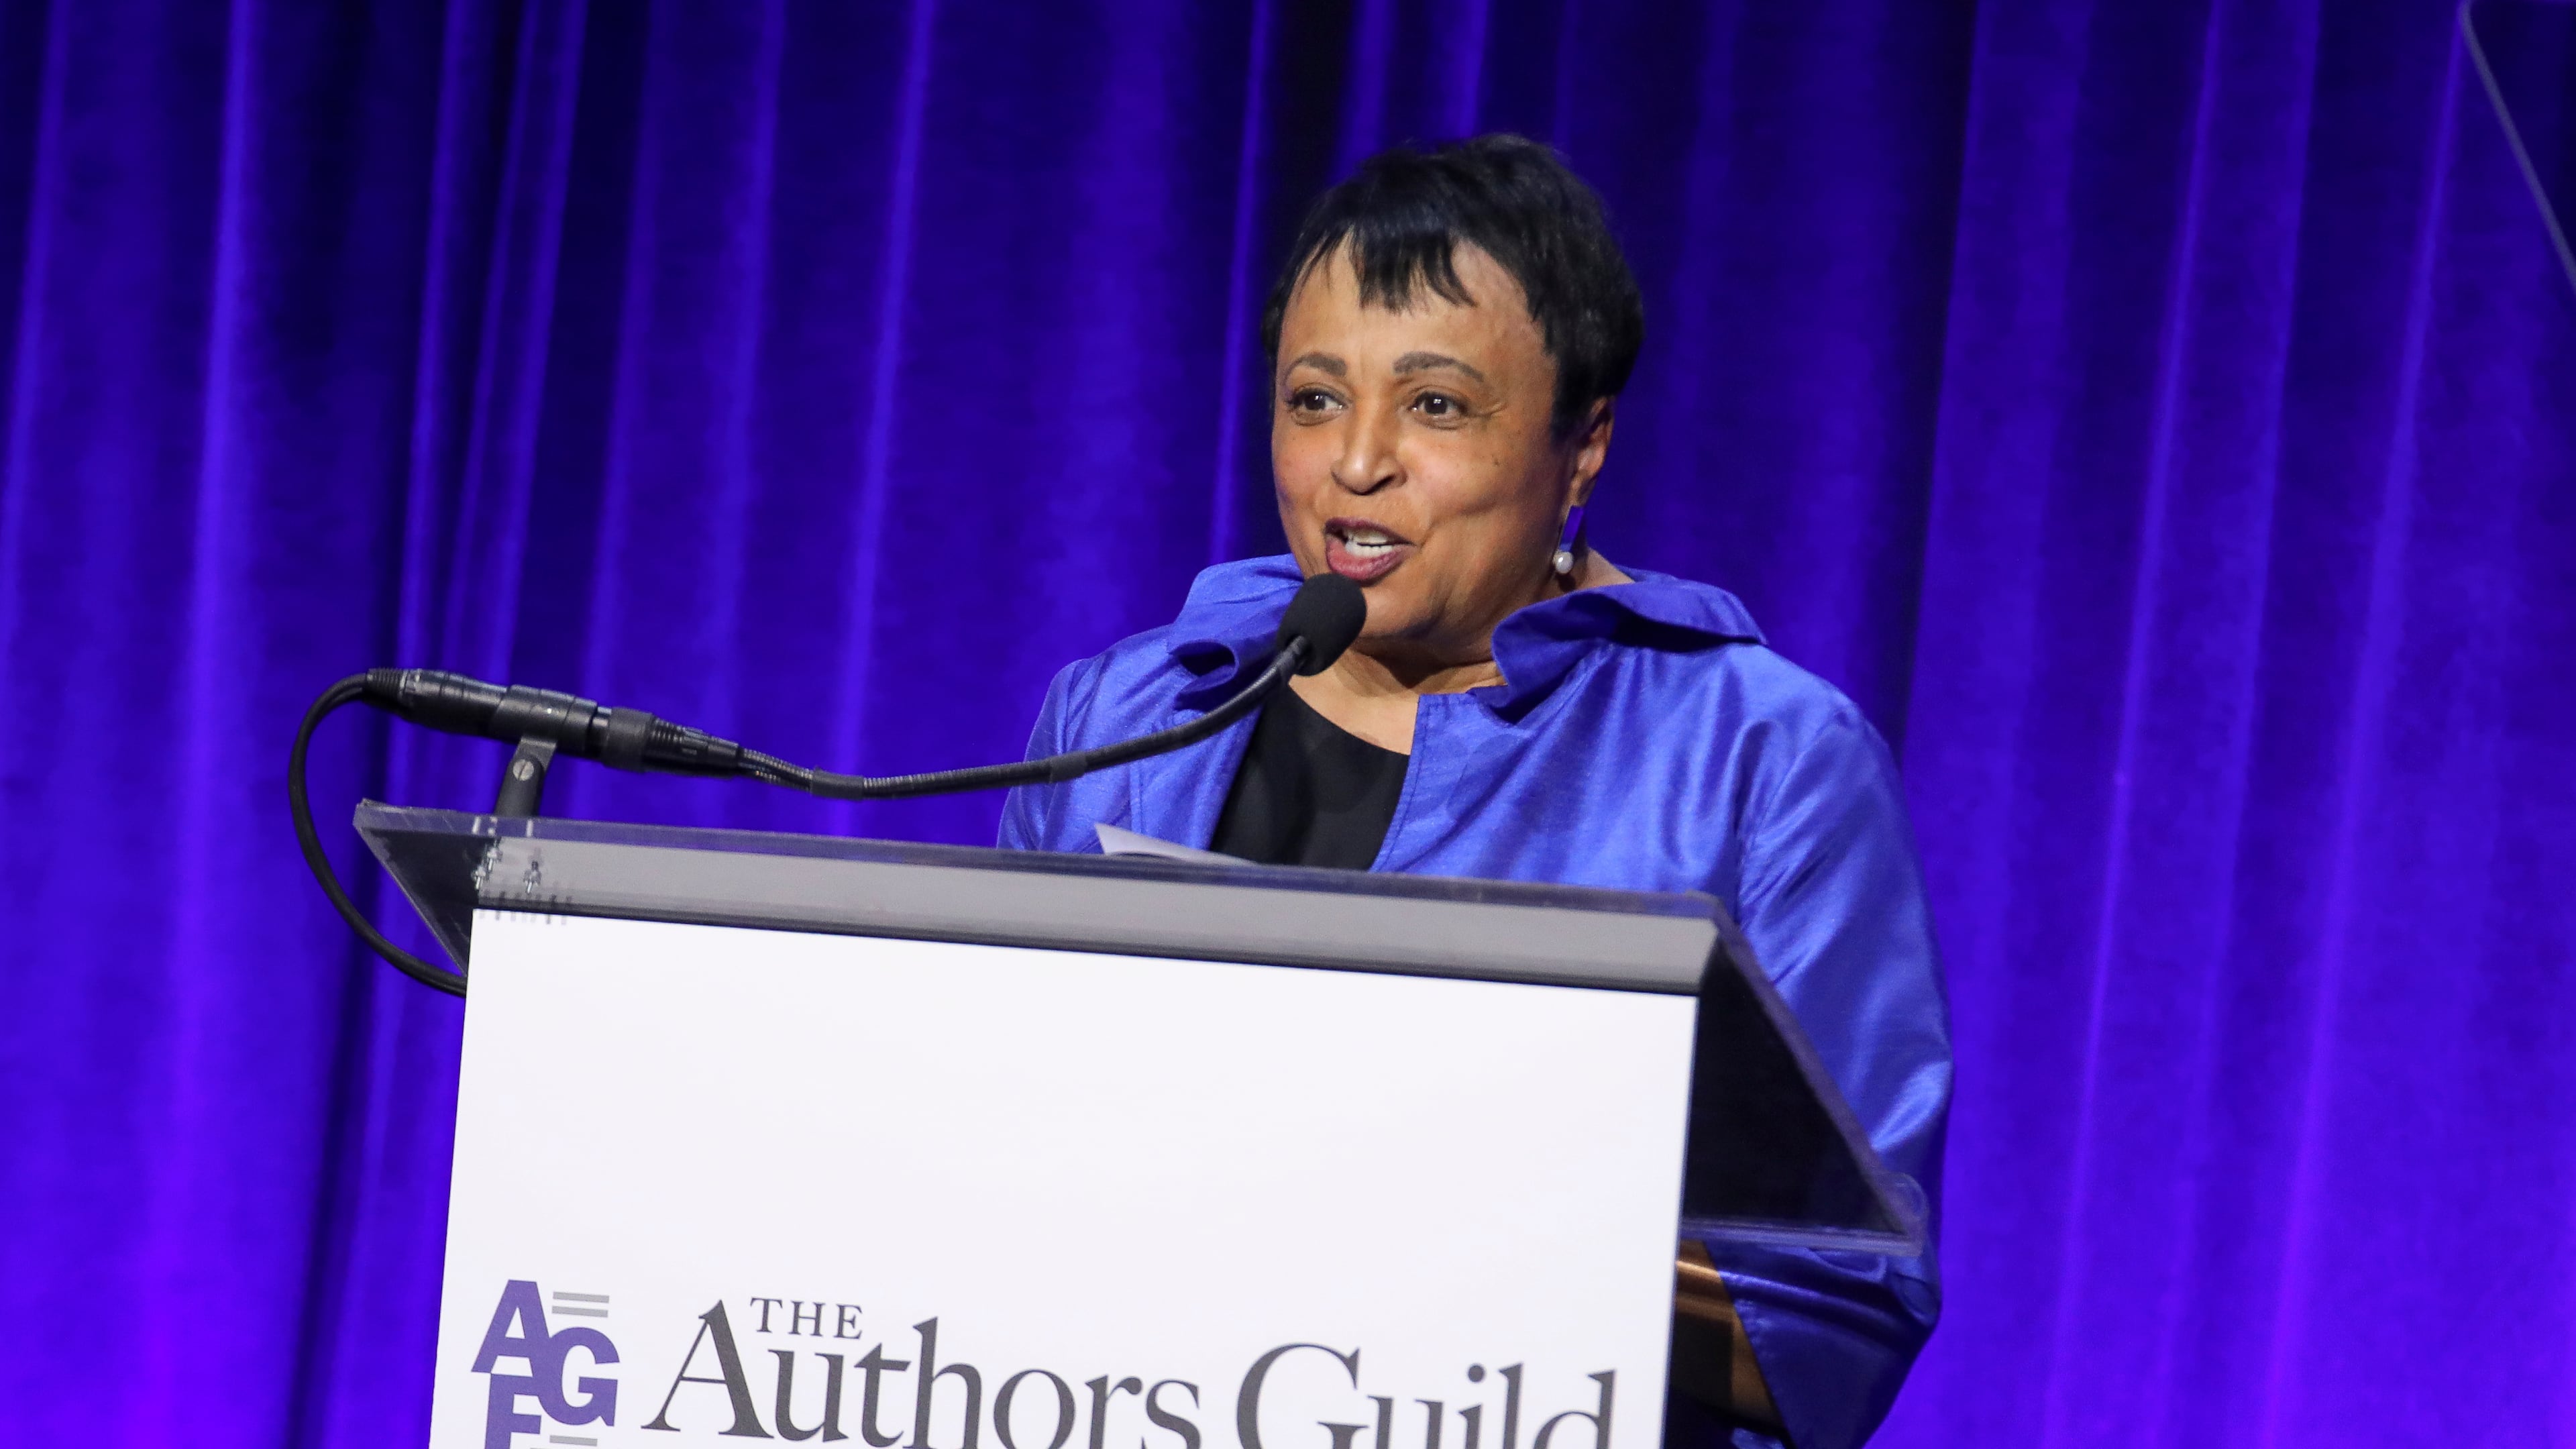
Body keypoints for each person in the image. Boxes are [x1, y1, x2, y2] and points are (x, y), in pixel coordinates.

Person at [997, 134, 1950, 1449]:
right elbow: (1001, 1160)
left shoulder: (1763, 760)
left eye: (1436, 406)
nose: (1359, 463)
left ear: (1585, 443)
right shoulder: (1126, 716)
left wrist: (1447, 1212)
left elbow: (1841, 1313)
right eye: (1315, 399)